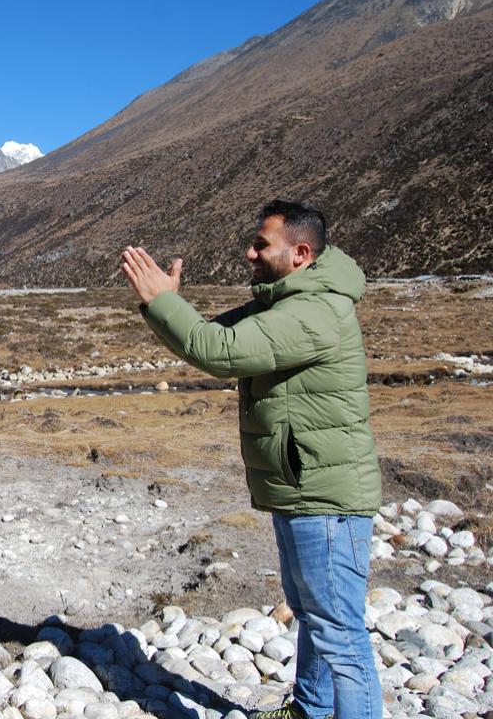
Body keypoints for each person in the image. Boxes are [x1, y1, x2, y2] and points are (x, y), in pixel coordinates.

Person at [120, 200, 381, 719]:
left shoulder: (312, 311)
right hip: (302, 484)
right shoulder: (288, 298)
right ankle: (310, 709)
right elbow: (217, 336)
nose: (250, 252)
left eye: (262, 244)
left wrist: (161, 303)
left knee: (339, 634)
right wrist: (168, 303)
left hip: (324, 495)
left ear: (301, 253)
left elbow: (219, 352)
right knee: (314, 614)